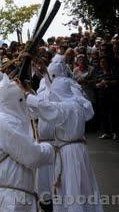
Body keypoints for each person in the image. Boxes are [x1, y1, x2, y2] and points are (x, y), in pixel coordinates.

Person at [23, 75, 103, 212]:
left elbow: (46, 108)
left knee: (71, 183)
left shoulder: (65, 108)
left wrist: (26, 95)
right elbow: (45, 109)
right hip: (79, 150)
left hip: (69, 152)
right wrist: (29, 93)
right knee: (83, 184)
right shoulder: (77, 105)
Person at [0, 74, 55, 211]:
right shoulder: (5, 123)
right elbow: (31, 155)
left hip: (0, 192)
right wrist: (49, 149)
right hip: (10, 198)